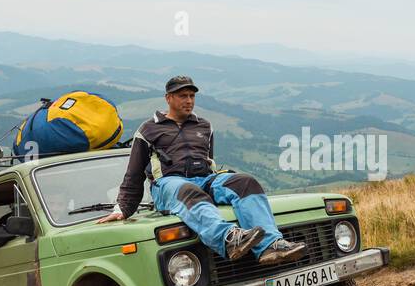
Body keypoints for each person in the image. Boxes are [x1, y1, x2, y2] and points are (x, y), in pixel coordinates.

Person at [97, 75, 307, 266]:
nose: (189, 100)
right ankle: (228, 240)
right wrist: (122, 209)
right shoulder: (148, 129)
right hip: (168, 186)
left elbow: (209, 161)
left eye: (191, 96)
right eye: (182, 96)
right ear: (168, 98)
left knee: (245, 182)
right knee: (187, 188)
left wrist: (218, 181)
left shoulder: (205, 126)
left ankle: (271, 246)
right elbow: (134, 173)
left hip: (204, 180)